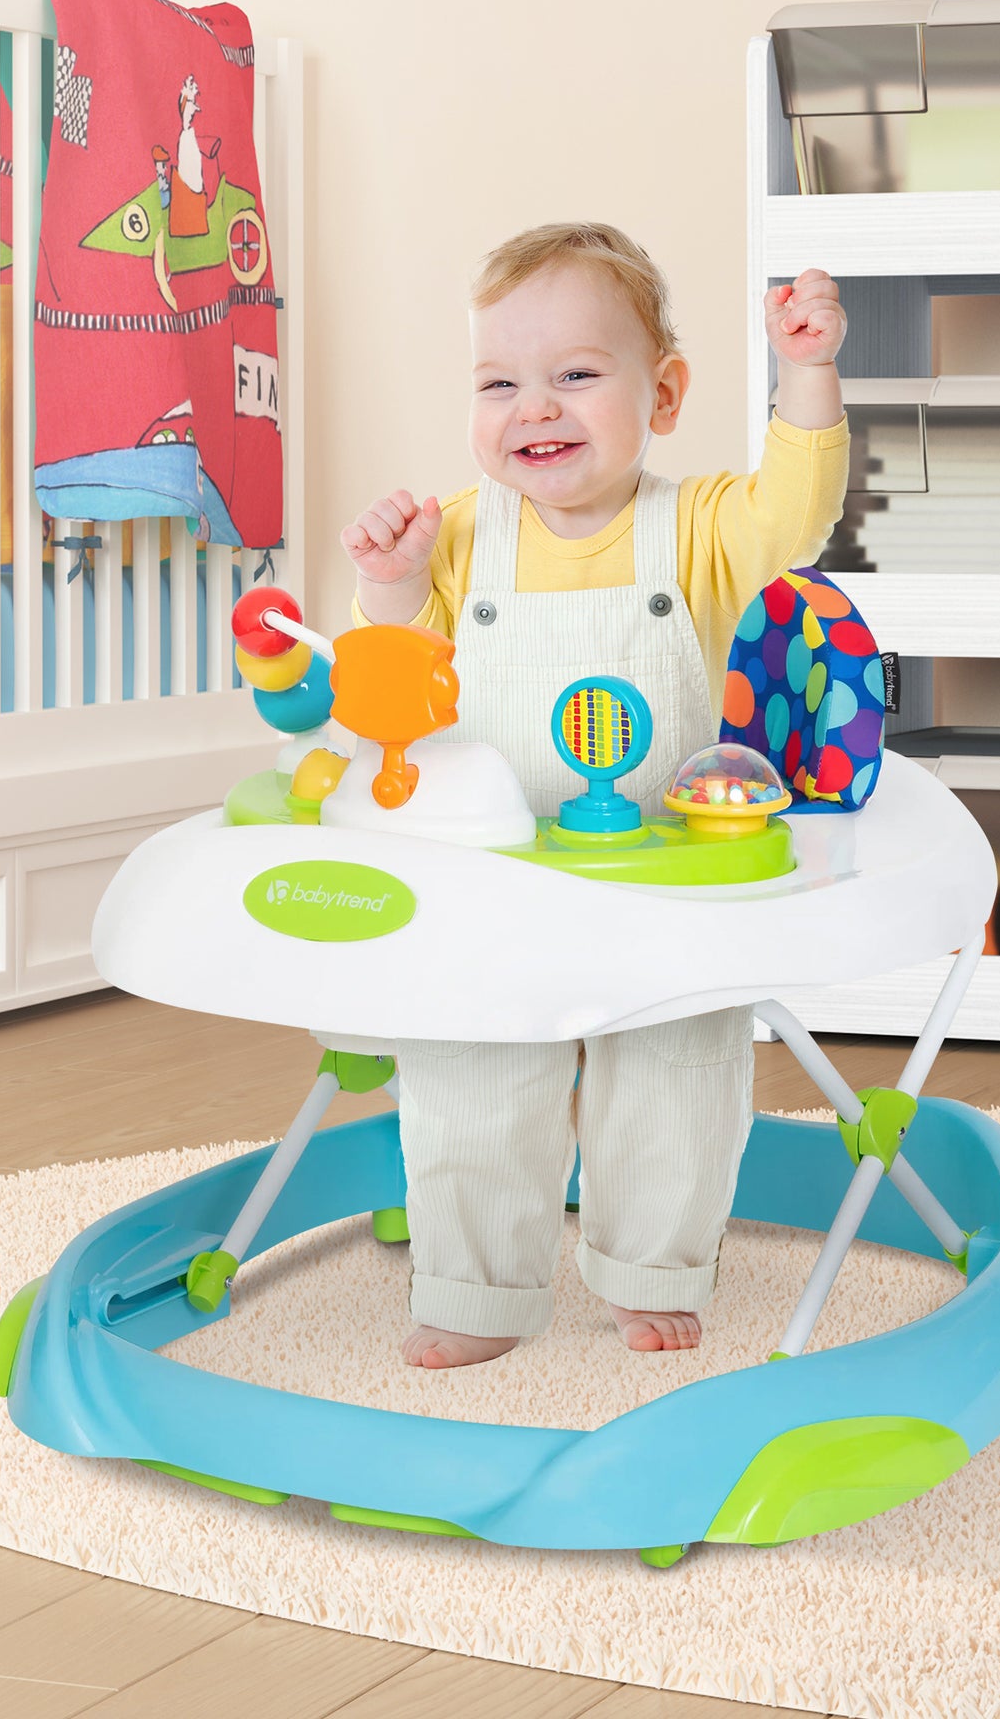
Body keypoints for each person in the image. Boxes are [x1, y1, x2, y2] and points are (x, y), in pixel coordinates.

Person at [342, 222, 848, 1369]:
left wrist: (807, 372)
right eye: (499, 383)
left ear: (662, 394)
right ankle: (473, 1286)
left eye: (575, 375)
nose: (535, 407)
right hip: (496, 880)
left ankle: (652, 1267)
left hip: (663, 882)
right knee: (469, 1074)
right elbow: (397, 684)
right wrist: (391, 585)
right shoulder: (456, 537)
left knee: (676, 1077)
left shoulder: (700, 525)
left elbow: (800, 515)